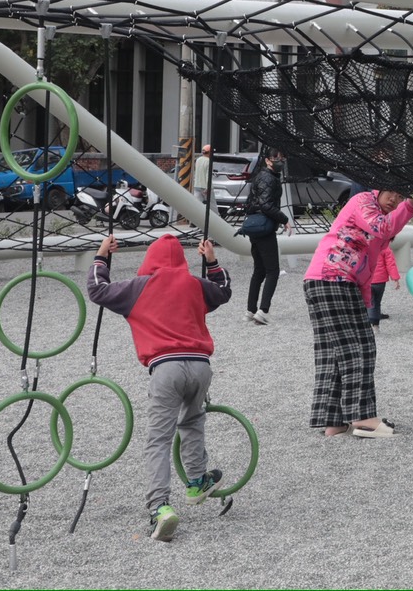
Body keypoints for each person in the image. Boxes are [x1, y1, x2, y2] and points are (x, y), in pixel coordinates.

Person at [85, 232, 232, 541]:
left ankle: (159, 507)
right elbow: (223, 290)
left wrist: (101, 256)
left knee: (159, 439)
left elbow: (97, 290)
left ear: (149, 259)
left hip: (166, 367)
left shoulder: (139, 287)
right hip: (201, 365)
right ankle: (196, 480)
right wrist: (211, 262)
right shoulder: (194, 284)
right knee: (192, 422)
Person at [304, 189, 413, 437]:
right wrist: (410, 205)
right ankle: (363, 418)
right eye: (391, 193)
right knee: (360, 347)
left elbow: (369, 263)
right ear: (380, 189)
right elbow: (383, 227)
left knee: (332, 353)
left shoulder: (378, 219)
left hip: (325, 280)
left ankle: (333, 421)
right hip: (334, 278)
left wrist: (365, 299)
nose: (394, 200)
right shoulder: (364, 200)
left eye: (400, 197)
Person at [240, 151, 289, 325]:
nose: (280, 161)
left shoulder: (260, 176)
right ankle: (263, 311)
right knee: (272, 271)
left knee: (259, 271)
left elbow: (251, 203)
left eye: (282, 158)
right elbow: (266, 204)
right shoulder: (269, 178)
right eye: (276, 159)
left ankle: (250, 310)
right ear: (267, 160)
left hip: (254, 226)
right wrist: (284, 219)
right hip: (264, 228)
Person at [367, 237, 402, 327]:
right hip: (380, 281)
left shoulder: (364, 246)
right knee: (377, 301)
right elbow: (391, 264)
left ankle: (371, 319)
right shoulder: (385, 247)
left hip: (366, 280)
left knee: (370, 301)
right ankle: (375, 323)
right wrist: (395, 279)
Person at [192, 144, 213, 208]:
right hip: (205, 187)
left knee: (197, 205)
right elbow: (208, 175)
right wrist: (208, 187)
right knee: (212, 206)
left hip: (197, 185)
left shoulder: (198, 160)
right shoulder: (208, 161)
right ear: (210, 152)